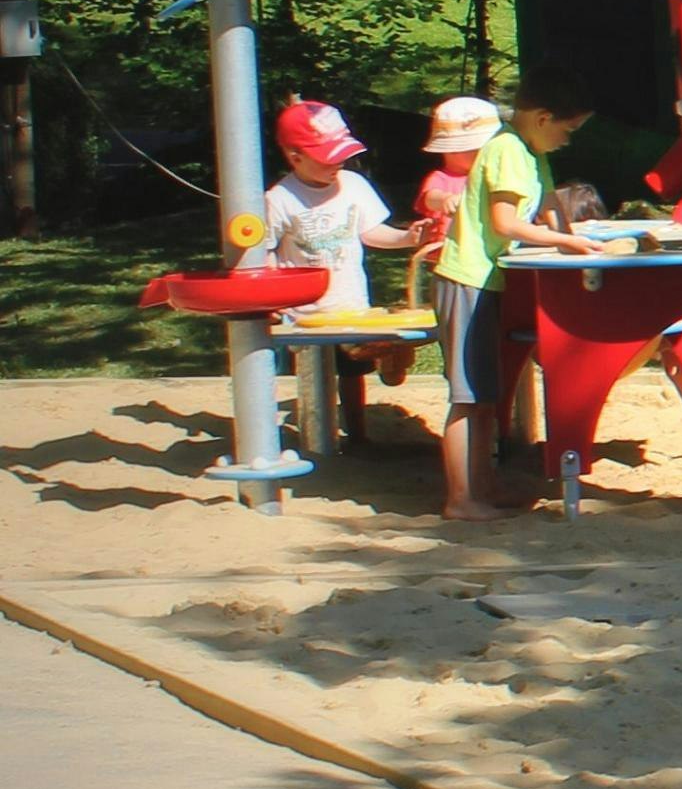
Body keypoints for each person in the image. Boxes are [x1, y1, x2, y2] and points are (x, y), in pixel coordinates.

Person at [424, 83, 604, 520]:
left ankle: (483, 488)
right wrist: (563, 239)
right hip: (465, 279)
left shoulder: (530, 152)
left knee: (486, 394)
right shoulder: (505, 150)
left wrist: (575, 234)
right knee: (469, 396)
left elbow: (546, 205)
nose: (569, 139)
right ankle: (461, 499)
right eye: (569, 129)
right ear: (543, 118)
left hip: (486, 281)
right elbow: (505, 223)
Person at [248, 99, 419, 440]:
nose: (339, 163)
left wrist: (407, 237)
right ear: (295, 156)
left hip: (349, 304)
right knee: (315, 372)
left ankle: (357, 433)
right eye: (329, 157)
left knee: (353, 371)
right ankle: (317, 437)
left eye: (342, 154)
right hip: (304, 312)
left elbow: (370, 232)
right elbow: (264, 250)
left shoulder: (352, 185)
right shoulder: (279, 199)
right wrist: (270, 296)